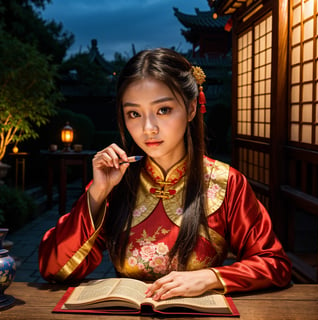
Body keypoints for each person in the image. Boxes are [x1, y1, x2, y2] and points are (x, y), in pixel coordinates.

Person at [39, 48, 291, 300]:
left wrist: (211, 277)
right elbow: (53, 268)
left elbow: (274, 263)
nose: (148, 128)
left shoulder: (226, 183)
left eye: (163, 110)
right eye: (134, 114)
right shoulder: (118, 182)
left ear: (192, 109)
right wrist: (97, 193)